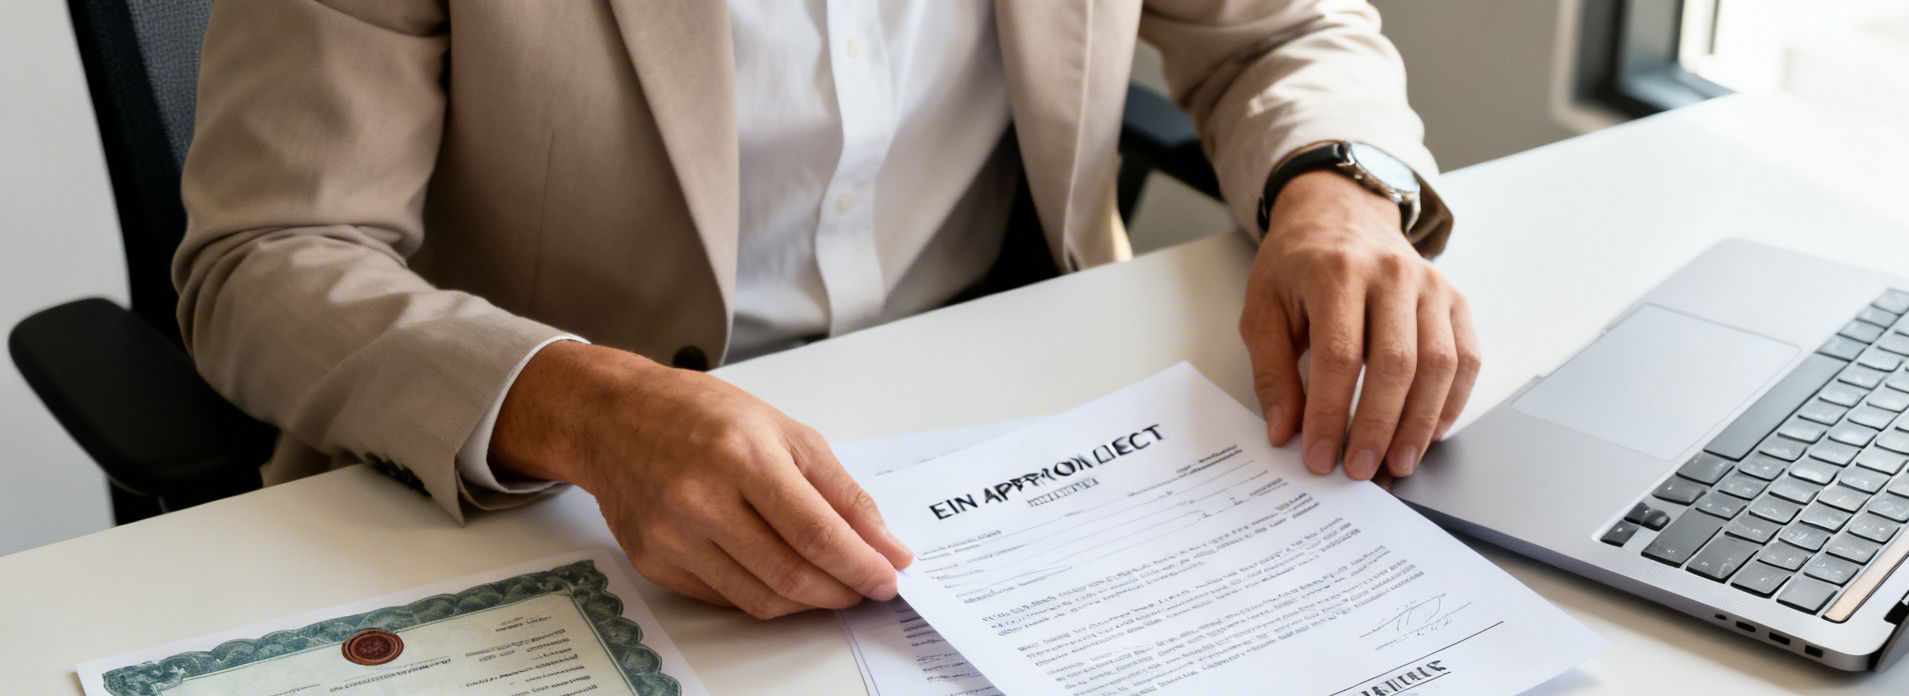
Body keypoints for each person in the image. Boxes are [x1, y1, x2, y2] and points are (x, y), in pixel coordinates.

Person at [175, 1, 1478, 619]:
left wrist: (1339, 194)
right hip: (558, 510)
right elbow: (271, 255)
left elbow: (1280, 32)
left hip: (1015, 447)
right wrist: (581, 409)